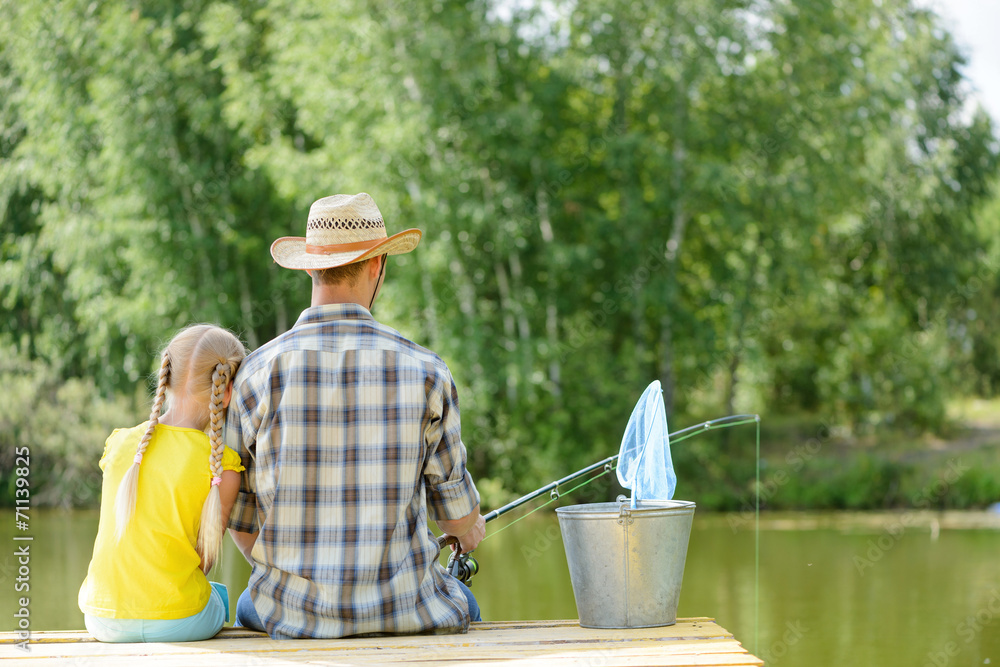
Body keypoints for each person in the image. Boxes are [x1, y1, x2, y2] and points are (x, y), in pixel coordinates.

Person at [226, 192, 485, 639]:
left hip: (288, 614)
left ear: (309, 266)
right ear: (375, 266)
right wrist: (471, 528)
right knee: (468, 605)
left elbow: (240, 520)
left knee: (249, 599)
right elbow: (455, 520)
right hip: (407, 612)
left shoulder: (256, 373)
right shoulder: (427, 371)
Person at [78, 324, 247, 642]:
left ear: (165, 377)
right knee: (218, 596)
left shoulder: (120, 444)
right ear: (226, 391)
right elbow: (203, 560)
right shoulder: (223, 465)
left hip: (102, 619)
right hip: (179, 622)